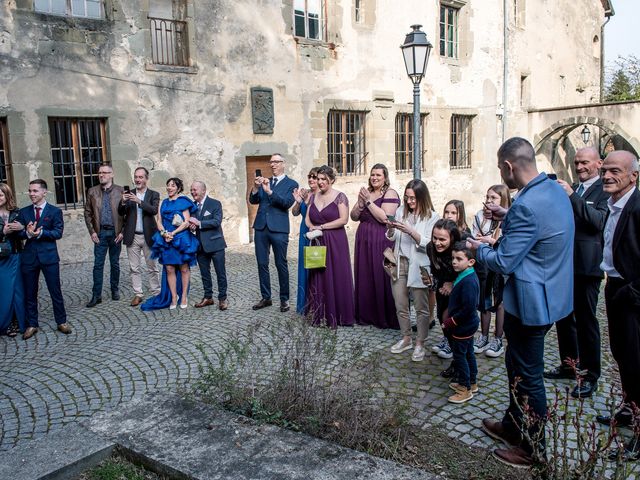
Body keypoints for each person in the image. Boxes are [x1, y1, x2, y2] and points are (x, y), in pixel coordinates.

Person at [467, 137, 574, 467]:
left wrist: (477, 249)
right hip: (550, 295)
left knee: (529, 376)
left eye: (501, 169)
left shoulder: (526, 206)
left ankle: (533, 450)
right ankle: (512, 427)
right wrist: (507, 213)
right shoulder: (552, 189)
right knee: (515, 366)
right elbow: (536, 225)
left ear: (509, 167)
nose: (502, 174)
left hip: (530, 304)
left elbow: (503, 261)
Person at [544, 147, 608, 399]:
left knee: (586, 320)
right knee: (564, 317)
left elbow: (598, 222)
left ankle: (591, 374)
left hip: (588, 268)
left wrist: (571, 196)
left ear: (598, 164)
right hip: (565, 264)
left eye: (585, 163)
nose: (579, 167)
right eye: (576, 162)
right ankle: (569, 364)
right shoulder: (572, 187)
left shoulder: (604, 190)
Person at [594, 150, 640, 462]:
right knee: (622, 355)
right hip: (613, 286)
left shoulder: (637, 207)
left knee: (638, 361)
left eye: (616, 171)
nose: (608, 176)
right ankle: (628, 408)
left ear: (633, 176)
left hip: (632, 292)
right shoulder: (612, 205)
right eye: (605, 170)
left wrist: (633, 292)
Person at [387, 179, 439, 361]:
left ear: (422, 197)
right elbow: (393, 237)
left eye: (413, 198)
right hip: (399, 262)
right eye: (407, 197)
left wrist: (411, 231)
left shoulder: (432, 217)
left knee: (421, 308)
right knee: (400, 304)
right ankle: (406, 338)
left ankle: (420, 343)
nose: (409, 202)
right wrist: (391, 229)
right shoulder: (401, 211)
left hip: (419, 265)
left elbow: (432, 245)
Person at [17, 179, 71, 339]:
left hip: (49, 257)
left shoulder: (54, 211)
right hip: (29, 257)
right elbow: (17, 233)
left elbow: (57, 233)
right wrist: (27, 233)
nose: (31, 194)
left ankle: (61, 321)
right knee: (30, 292)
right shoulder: (24, 212)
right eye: (30, 191)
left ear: (44, 192)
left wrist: (40, 233)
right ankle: (32, 324)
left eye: (35, 191)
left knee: (55, 291)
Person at [350, 164, 400, 329]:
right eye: (372, 175)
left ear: (385, 177)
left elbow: (384, 218)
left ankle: (383, 315)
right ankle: (367, 314)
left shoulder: (390, 193)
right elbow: (354, 216)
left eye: (378, 175)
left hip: (380, 238)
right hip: (363, 239)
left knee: (380, 275)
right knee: (365, 274)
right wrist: (360, 203)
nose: (375, 178)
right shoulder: (367, 193)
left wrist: (369, 202)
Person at [305, 165, 355, 328]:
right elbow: (307, 219)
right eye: (318, 179)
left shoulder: (340, 196)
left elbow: (343, 219)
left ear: (331, 180)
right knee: (318, 274)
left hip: (335, 240)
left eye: (323, 179)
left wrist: (322, 227)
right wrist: (312, 227)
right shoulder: (313, 197)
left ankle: (338, 314)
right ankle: (320, 313)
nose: (319, 182)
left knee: (336, 274)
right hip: (317, 240)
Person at [249, 153, 299, 313]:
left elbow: (286, 204)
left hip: (279, 228)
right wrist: (256, 188)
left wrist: (270, 192)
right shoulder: (265, 181)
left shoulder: (292, 184)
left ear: (283, 164)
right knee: (262, 263)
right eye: (271, 162)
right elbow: (253, 201)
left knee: (280, 263)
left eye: (276, 162)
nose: (273, 165)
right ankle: (266, 297)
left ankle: (284, 299)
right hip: (261, 227)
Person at [142, 178, 199, 310]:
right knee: (169, 269)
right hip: (166, 238)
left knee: (184, 268)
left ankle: (184, 295)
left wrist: (173, 233)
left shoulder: (183, 201)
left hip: (181, 238)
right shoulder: (164, 202)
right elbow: (159, 221)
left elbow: (186, 222)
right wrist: (164, 233)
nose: (169, 188)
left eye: (172, 186)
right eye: (168, 185)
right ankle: (174, 296)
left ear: (178, 188)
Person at [472, 185, 512, 358]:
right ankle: (484, 335)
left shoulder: (509, 216)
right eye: (487, 197)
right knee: (484, 300)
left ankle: (498, 339)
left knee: (500, 301)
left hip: (501, 263)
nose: (489, 201)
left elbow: (508, 243)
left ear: (502, 200)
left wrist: (491, 241)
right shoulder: (479, 216)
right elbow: (475, 238)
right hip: (484, 263)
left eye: (493, 198)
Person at [443, 241, 480, 404]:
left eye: (459, 259)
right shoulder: (465, 275)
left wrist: (451, 321)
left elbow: (468, 309)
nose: (454, 262)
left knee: (460, 356)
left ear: (471, 262)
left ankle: (465, 388)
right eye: (453, 258)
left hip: (463, 327)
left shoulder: (469, 281)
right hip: (466, 326)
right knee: (468, 353)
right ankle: (472, 382)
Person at [118, 167, 161, 307]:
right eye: (136, 177)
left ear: (146, 179)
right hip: (133, 236)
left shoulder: (153, 194)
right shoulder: (128, 194)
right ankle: (138, 294)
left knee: (152, 267)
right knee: (134, 268)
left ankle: (157, 293)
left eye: (141, 177)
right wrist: (123, 202)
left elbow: (154, 210)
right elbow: (120, 212)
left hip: (149, 235)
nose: (138, 179)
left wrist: (139, 201)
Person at [84, 164, 124, 307]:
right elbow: (87, 213)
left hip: (115, 233)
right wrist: (92, 232)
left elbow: (127, 214)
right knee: (98, 265)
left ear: (112, 174)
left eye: (105, 172)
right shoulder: (92, 191)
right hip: (99, 234)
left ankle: (115, 289)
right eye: (100, 172)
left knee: (115, 263)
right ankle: (96, 295)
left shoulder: (120, 191)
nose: (102, 175)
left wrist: (122, 232)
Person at [189, 181, 228, 310]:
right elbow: (192, 222)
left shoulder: (215, 203)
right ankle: (208, 297)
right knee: (204, 273)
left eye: (195, 190)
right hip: (200, 245)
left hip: (216, 244)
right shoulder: (192, 206)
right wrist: (192, 226)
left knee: (220, 273)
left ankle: (222, 299)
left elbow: (216, 221)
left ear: (203, 190)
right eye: (191, 190)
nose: (193, 192)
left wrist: (199, 223)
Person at [427, 219, 461, 367]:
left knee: (455, 324)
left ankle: (460, 364)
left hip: (462, 290)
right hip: (443, 289)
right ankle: (453, 353)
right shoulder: (430, 248)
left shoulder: (461, 249)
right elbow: (437, 274)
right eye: (435, 238)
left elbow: (473, 274)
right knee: (443, 320)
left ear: (452, 238)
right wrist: (431, 281)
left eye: (442, 239)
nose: (437, 242)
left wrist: (453, 283)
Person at [292, 167, 319, 314]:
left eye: (314, 177)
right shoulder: (305, 193)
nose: (311, 180)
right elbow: (295, 213)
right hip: (304, 231)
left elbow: (316, 213)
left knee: (315, 266)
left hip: (314, 231)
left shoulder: (320, 195)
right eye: (309, 177)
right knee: (304, 267)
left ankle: (316, 304)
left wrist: (308, 202)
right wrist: (298, 202)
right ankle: (305, 305)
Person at [0, 183, 25, 337]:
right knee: (4, 291)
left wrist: (21, 229)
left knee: (18, 291)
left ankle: (18, 322)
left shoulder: (16, 212)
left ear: (7, 196)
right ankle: (5, 323)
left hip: (16, 256)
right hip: (1, 259)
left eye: (1, 195)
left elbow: (22, 235)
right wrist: (2, 231)